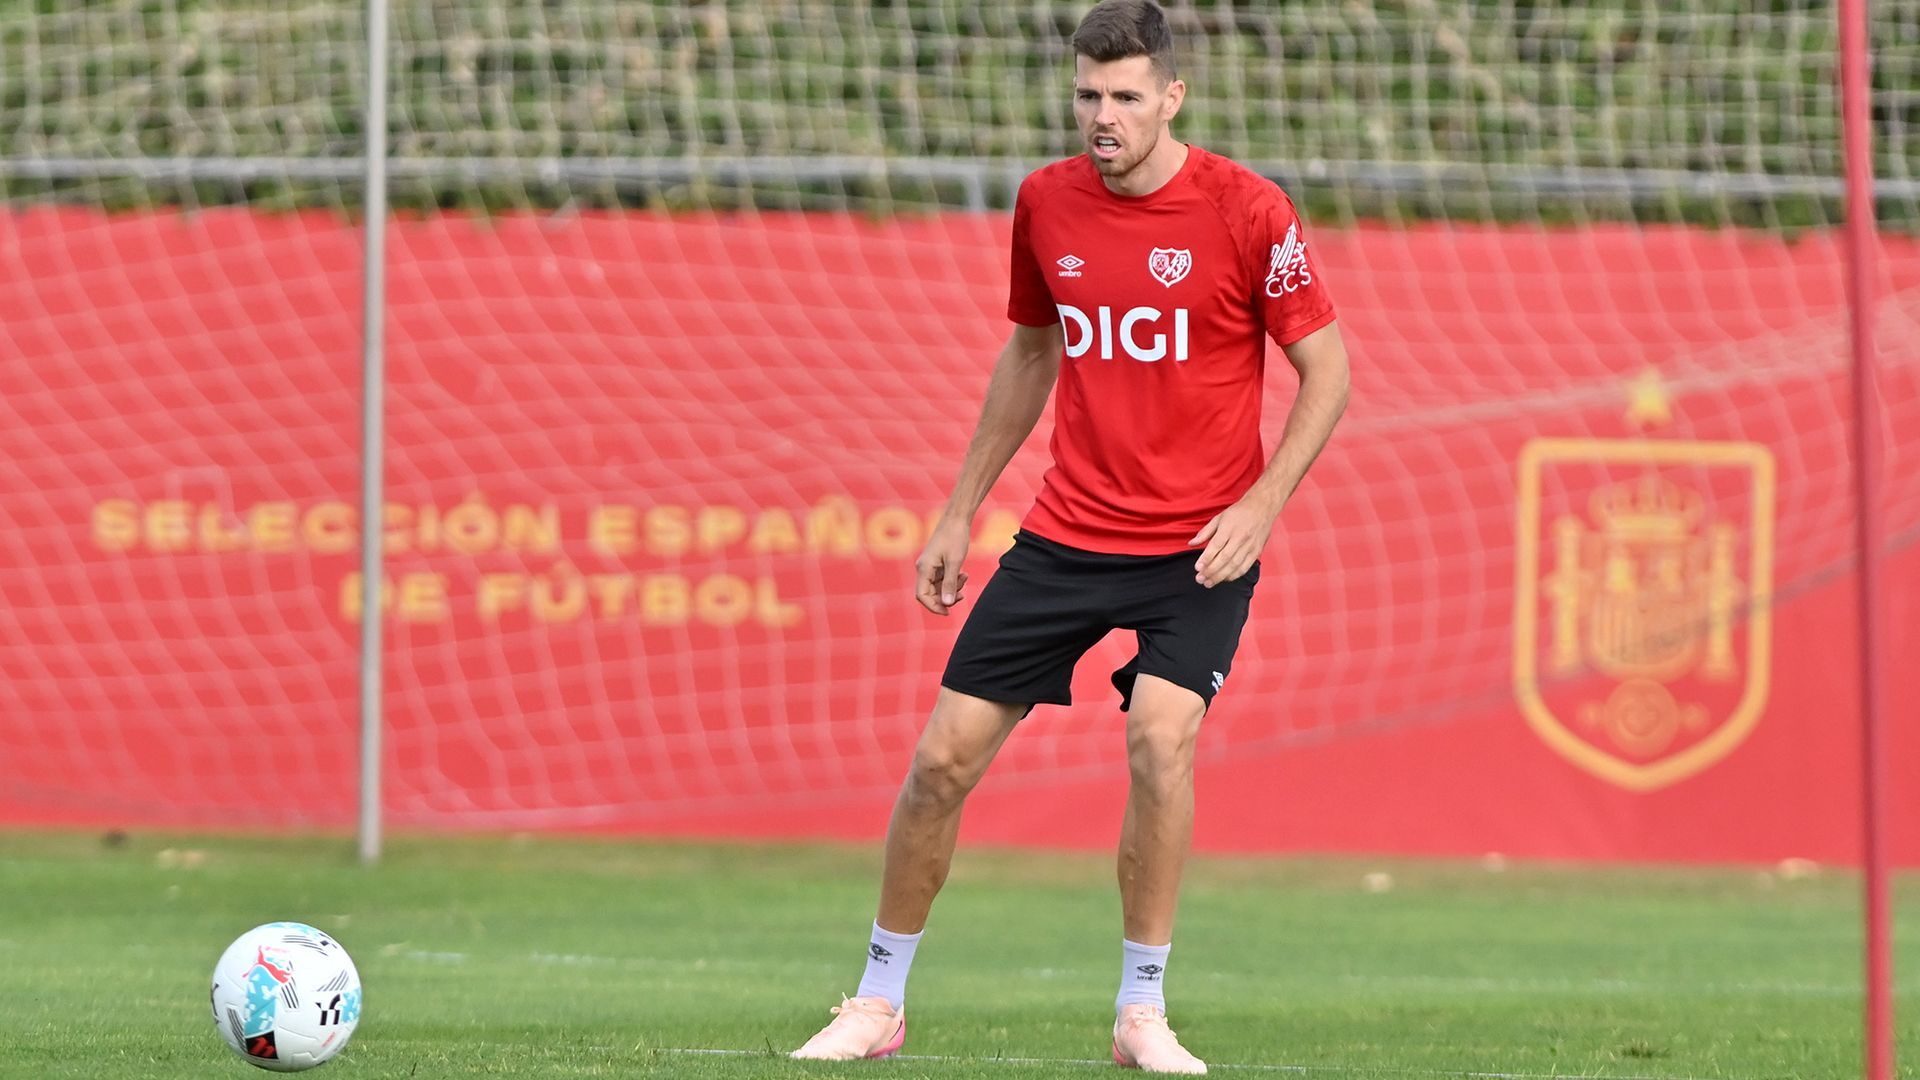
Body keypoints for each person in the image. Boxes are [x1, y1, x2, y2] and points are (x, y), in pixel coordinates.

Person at [791, 0, 1350, 1072]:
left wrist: (1261, 505)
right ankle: (877, 1000)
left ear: (1170, 98)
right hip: (1065, 538)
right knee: (941, 762)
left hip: (1198, 549)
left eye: (1126, 97)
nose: (1104, 116)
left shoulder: (1247, 209)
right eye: (1089, 95)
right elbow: (1031, 354)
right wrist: (961, 507)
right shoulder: (1046, 203)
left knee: (1159, 738)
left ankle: (1142, 1010)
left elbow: (1329, 372)